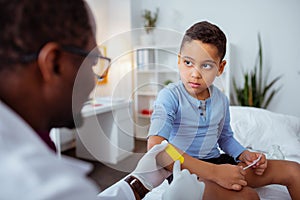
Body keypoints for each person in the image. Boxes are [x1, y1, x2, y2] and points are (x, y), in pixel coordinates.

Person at [0, 0, 205, 199]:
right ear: (54, 64)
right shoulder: (37, 185)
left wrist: (139, 183)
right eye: (93, 62)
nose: (94, 80)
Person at [147, 21, 300, 199]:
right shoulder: (170, 96)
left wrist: (244, 154)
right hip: (186, 171)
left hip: (219, 162)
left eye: (206, 65)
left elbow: (225, 137)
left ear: (220, 68)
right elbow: (157, 146)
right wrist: (214, 172)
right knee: (249, 197)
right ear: (179, 60)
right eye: (189, 63)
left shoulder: (221, 99)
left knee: (294, 170)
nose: (195, 74)